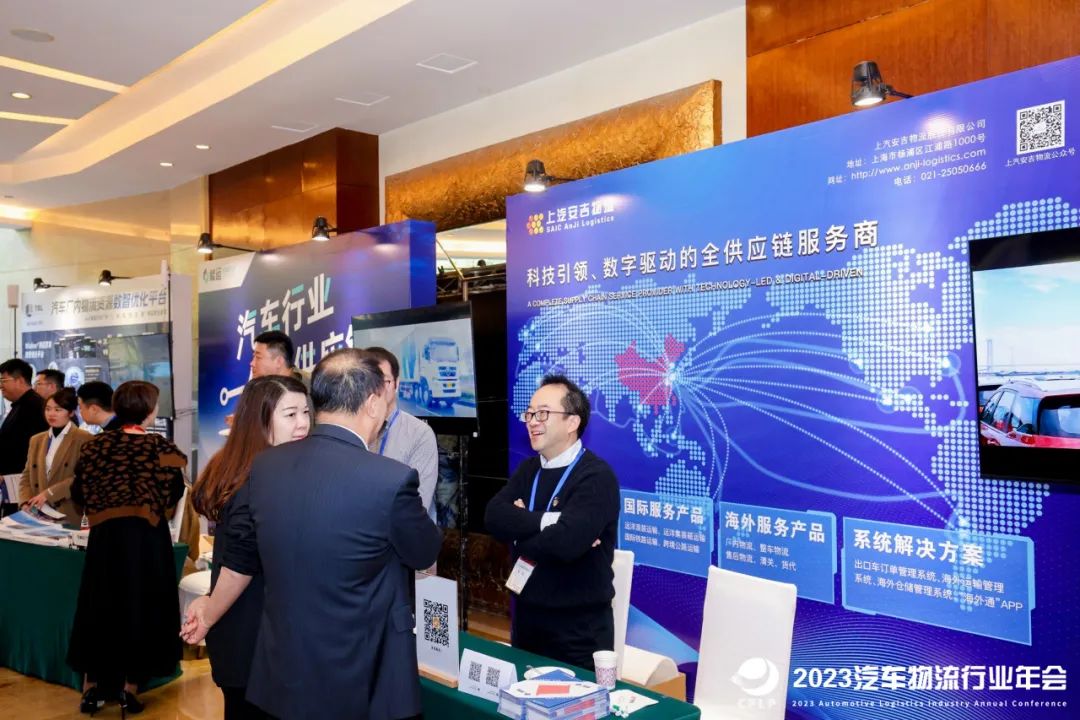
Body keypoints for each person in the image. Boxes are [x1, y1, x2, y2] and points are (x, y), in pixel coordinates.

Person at [182, 349, 441, 720]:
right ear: (372, 404)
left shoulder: (266, 466)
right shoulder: (390, 479)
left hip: (281, 660)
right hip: (360, 665)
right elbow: (423, 551)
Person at [190, 375, 310, 720]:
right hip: (254, 635)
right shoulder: (260, 479)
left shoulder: (260, 468)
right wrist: (208, 614)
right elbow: (240, 565)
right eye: (290, 414)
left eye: (306, 412)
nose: (302, 423)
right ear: (260, 420)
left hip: (255, 629)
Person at [67, 380, 187, 716]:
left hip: (105, 539)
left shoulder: (95, 446)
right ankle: (129, 689)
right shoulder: (161, 448)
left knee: (99, 606)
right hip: (147, 540)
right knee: (141, 607)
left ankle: (91, 689)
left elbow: (79, 493)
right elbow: (174, 493)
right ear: (149, 412)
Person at [484, 375, 620, 671]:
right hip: (526, 619)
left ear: (572, 422)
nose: (532, 421)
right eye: (530, 413)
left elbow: (566, 544)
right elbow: (493, 516)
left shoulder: (596, 476)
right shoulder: (529, 469)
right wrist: (551, 521)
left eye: (543, 413)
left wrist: (519, 531)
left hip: (577, 630)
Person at [362, 347, 438, 521]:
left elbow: (418, 505)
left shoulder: (419, 434)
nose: (376, 389)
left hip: (403, 531)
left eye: (384, 381)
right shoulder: (353, 429)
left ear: (397, 383)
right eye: (367, 380)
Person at [19, 387, 93, 526]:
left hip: (68, 509)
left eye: (58, 410)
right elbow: (27, 475)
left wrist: (50, 493)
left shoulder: (84, 438)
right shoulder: (36, 439)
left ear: (71, 412)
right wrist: (25, 502)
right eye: (48, 409)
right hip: (37, 510)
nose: (51, 414)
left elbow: (82, 477)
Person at [1, 358, 49, 515]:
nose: (1, 385)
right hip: (11, 484)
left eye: (4, 380)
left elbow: (32, 449)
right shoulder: (19, 406)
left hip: (25, 485)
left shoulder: (34, 406)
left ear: (20, 380)